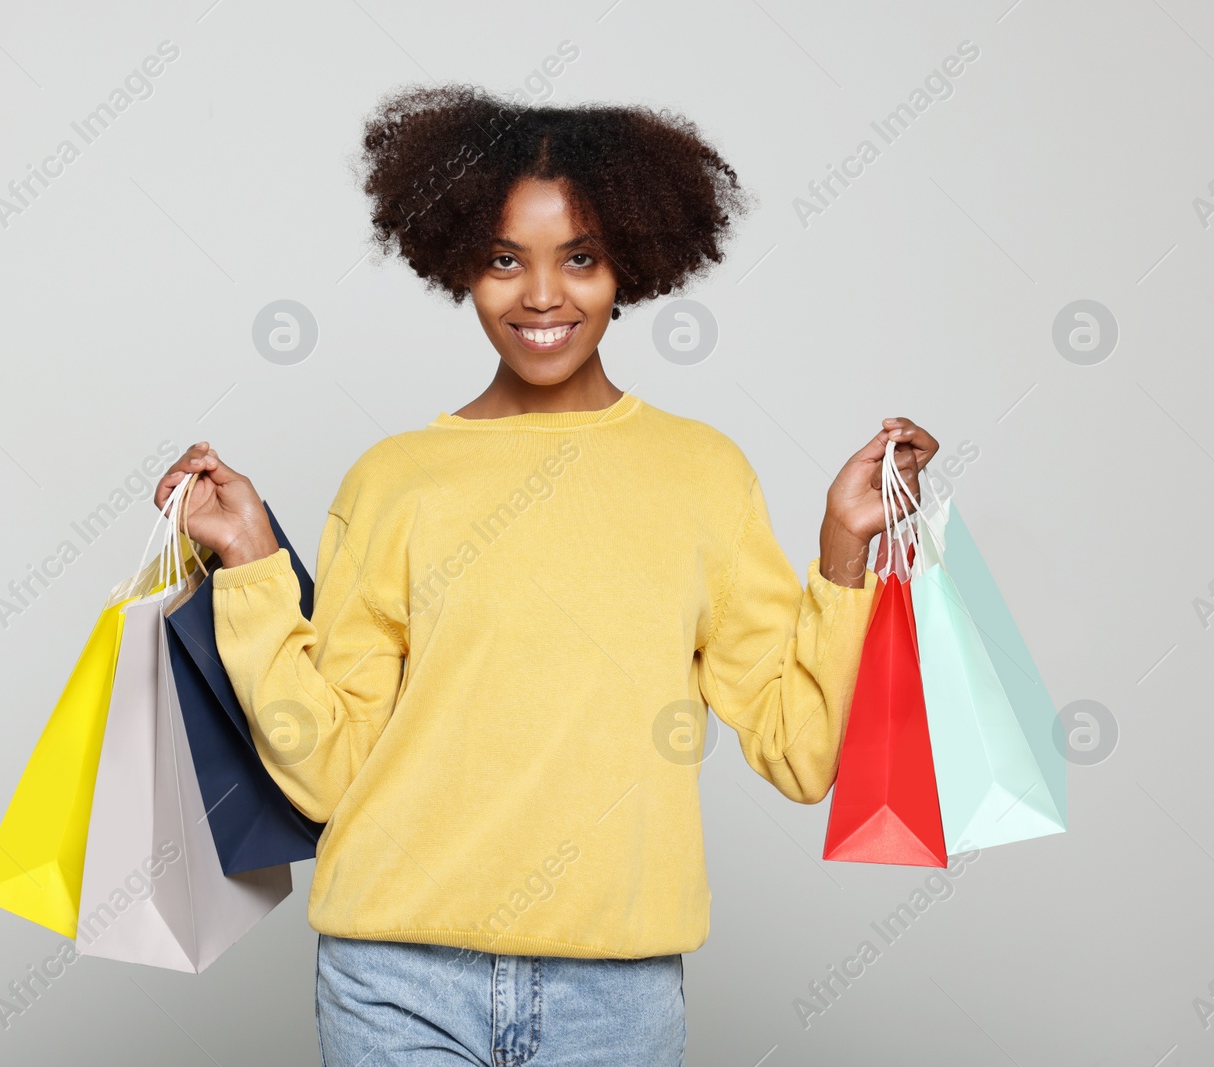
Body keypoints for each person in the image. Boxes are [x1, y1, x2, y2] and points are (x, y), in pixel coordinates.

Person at [155, 84, 938, 1067]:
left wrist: (842, 547)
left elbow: (799, 752)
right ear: (459, 269)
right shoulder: (395, 478)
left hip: (614, 989)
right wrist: (255, 566)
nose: (540, 295)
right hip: (393, 975)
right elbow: (324, 765)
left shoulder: (700, 472)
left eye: (578, 257)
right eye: (502, 259)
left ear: (630, 264)